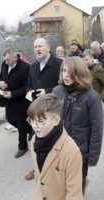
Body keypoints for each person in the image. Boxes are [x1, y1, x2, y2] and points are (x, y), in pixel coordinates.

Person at [53, 57, 103, 194]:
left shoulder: (92, 97)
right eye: (64, 71)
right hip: (59, 147)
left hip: (80, 151)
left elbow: (97, 129)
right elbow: (50, 119)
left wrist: (93, 157)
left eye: (71, 72)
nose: (66, 75)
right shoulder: (57, 91)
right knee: (61, 181)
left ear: (79, 73)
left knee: (76, 186)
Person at [28, 94, 83, 200]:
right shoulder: (35, 139)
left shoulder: (71, 150)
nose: (34, 126)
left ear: (56, 120)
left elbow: (74, 193)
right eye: (31, 121)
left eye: (40, 122)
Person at [25, 38, 63, 180]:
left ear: (48, 47)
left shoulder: (59, 64)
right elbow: (28, 84)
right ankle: (38, 169)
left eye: (40, 46)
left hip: (54, 110)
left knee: (55, 140)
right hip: (38, 110)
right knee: (39, 140)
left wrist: (47, 91)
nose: (37, 49)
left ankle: (58, 169)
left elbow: (64, 85)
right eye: (35, 47)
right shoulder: (33, 66)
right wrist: (30, 92)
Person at [0, 49, 31, 158]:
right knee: (10, 119)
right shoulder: (4, 64)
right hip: (8, 98)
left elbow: (27, 87)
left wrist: (13, 94)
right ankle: (32, 130)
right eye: (5, 60)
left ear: (15, 58)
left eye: (7, 60)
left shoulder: (25, 67)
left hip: (21, 99)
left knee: (20, 123)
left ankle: (22, 147)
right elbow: (0, 78)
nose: (5, 62)